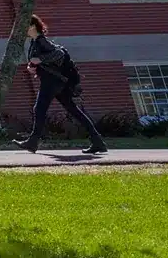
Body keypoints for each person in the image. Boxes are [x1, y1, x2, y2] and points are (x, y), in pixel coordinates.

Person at [19, 14, 108, 155]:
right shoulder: (34, 42)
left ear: (32, 26)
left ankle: (32, 142)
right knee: (73, 110)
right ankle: (98, 142)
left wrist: (40, 59)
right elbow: (42, 61)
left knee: (39, 109)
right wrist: (33, 67)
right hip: (57, 82)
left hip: (52, 82)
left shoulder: (41, 41)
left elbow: (59, 54)